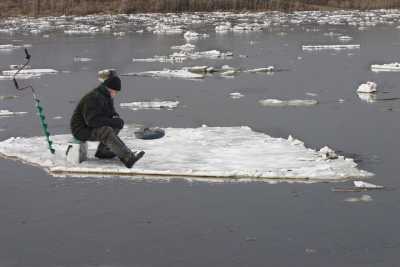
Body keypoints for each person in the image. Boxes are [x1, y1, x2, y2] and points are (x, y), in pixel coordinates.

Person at [70, 73, 144, 168]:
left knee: (115, 125)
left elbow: (111, 113)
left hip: (90, 126)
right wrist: (112, 121)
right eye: (115, 92)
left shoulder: (107, 97)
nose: (115, 94)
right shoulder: (93, 97)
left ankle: (103, 151)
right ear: (108, 88)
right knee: (106, 131)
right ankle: (127, 158)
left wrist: (116, 118)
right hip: (81, 129)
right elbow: (92, 121)